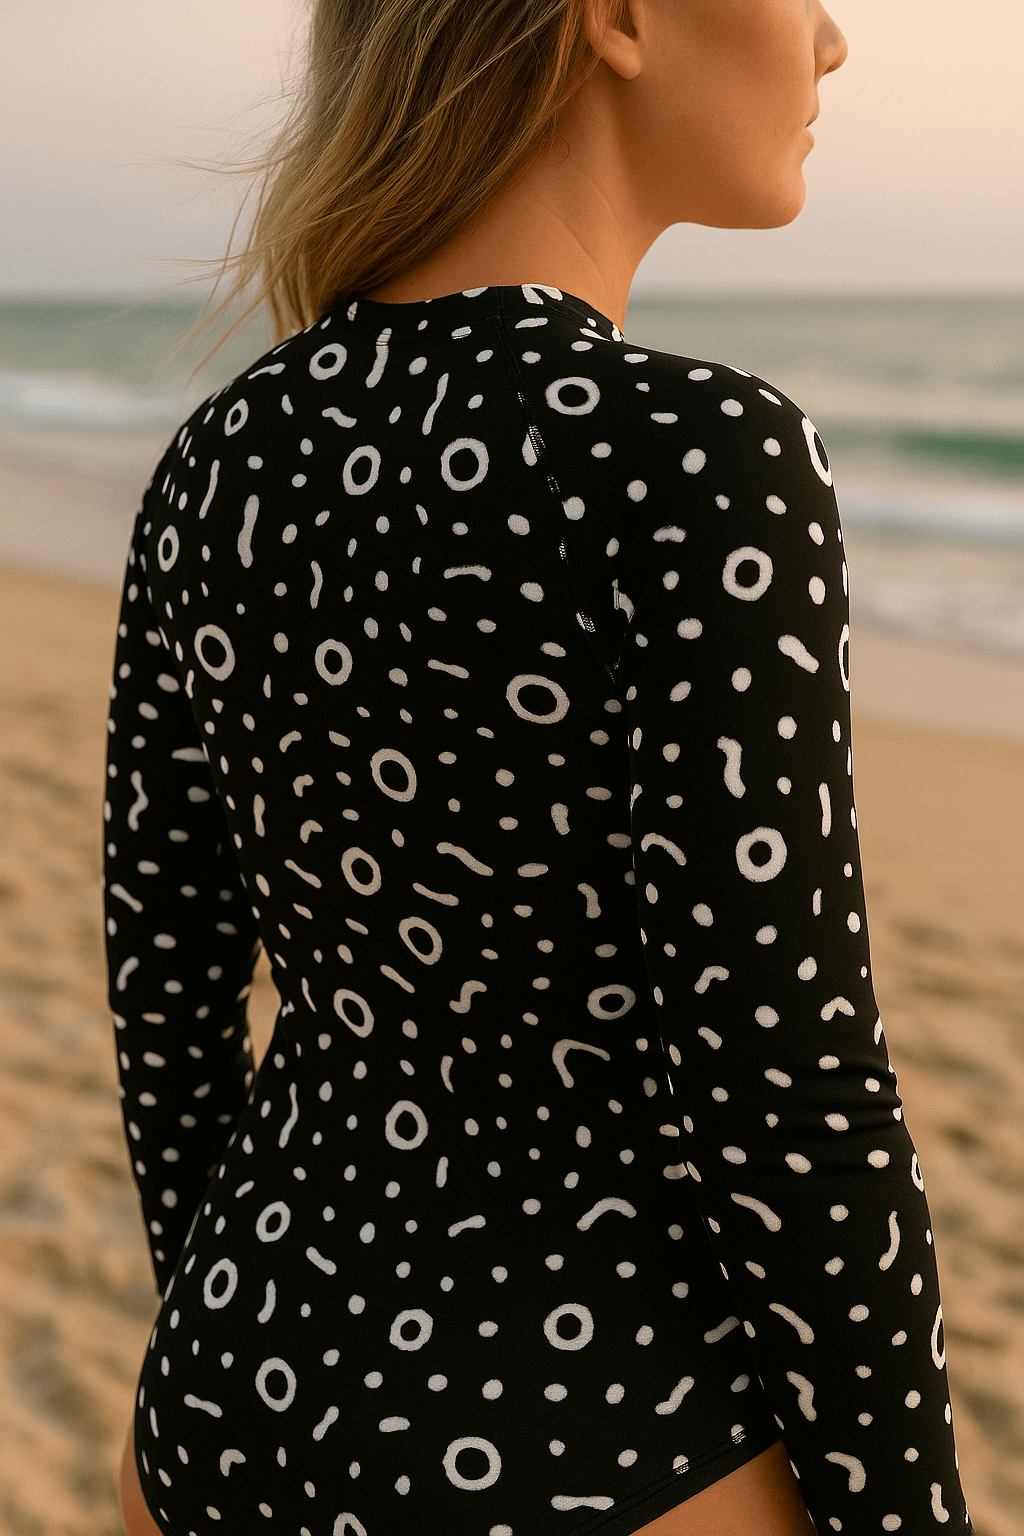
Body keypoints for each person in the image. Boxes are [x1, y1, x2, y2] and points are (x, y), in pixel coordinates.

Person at [106, 1, 974, 1532]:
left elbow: (168, 1007)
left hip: (227, 1393)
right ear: (622, 19)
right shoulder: (697, 456)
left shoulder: (217, 463)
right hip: (593, 1434)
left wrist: (239, 1332)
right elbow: (782, 1070)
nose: (833, 42)